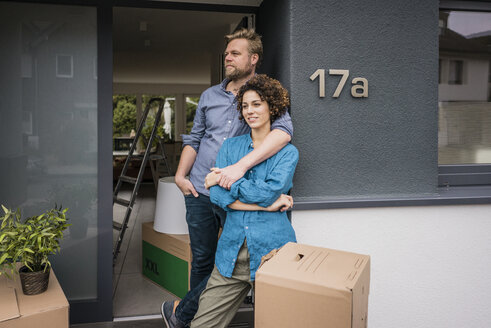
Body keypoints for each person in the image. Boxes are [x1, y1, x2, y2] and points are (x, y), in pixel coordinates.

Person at [161, 29, 293, 328]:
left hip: (234, 190)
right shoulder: (209, 95)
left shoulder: (264, 97)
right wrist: (181, 177)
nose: (228, 58)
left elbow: (284, 133)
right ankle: (193, 319)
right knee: (203, 260)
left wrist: (238, 169)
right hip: (198, 191)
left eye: (235, 53)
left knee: (229, 262)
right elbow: (195, 139)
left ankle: (182, 312)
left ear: (253, 58)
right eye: (226, 54)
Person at [190, 74, 298, 328]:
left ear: (272, 106)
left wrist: (223, 178)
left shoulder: (288, 152)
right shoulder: (230, 146)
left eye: (257, 104)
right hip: (231, 253)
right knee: (202, 324)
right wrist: (266, 205)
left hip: (274, 252)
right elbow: (216, 197)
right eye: (245, 105)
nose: (250, 111)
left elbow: (267, 193)